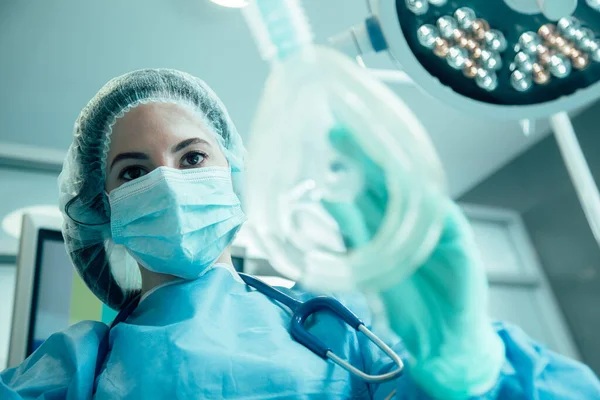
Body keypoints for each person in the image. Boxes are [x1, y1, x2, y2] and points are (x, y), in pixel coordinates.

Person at [1, 69, 599, 399]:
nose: (168, 185)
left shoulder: (338, 331)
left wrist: (474, 371)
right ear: (102, 212)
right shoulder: (79, 367)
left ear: (233, 175)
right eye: (134, 172)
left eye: (191, 158)